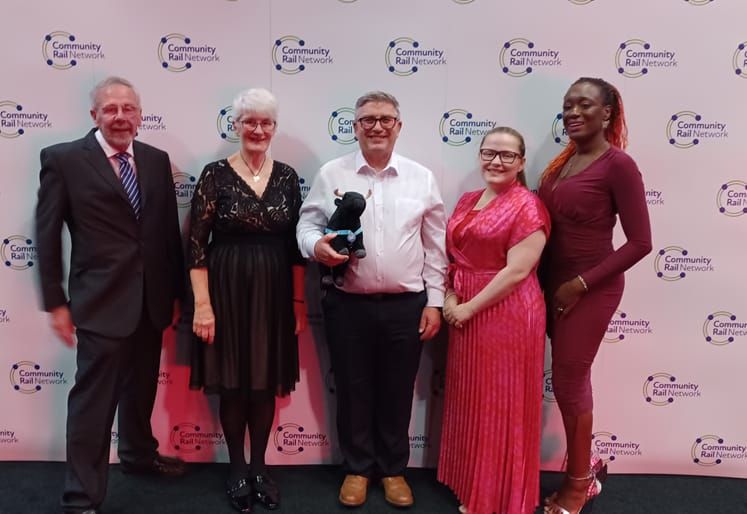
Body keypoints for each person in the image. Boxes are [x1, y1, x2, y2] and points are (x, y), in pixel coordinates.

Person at [35, 76, 186, 514]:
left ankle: (138, 456)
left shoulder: (156, 160)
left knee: (141, 391)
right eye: (111, 109)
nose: (120, 117)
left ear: (140, 115)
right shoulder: (63, 159)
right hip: (99, 302)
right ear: (95, 115)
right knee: (93, 405)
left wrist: (177, 294)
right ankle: (81, 496)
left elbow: (165, 233)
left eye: (128, 108)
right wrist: (56, 302)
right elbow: (47, 234)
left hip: (151, 301)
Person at [297, 91, 448, 508]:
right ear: (355, 127)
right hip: (347, 304)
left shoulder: (421, 178)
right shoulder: (332, 173)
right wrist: (316, 247)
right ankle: (358, 469)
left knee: (398, 390)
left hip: (407, 305)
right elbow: (306, 227)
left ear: (398, 126)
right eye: (368, 119)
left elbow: (435, 246)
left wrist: (435, 301)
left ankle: (393, 470)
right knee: (353, 389)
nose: (377, 126)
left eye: (385, 119)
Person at [188, 87, 306, 513]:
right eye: (249, 121)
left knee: (264, 383)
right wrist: (203, 306)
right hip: (226, 289)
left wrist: (298, 304)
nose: (258, 129)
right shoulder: (214, 174)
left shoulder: (288, 177)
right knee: (233, 383)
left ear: (274, 127)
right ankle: (236, 467)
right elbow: (196, 246)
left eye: (265, 122)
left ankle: (259, 467)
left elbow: (296, 249)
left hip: (274, 292)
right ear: (235, 125)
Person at [538, 77, 652, 514]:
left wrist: (580, 284)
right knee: (573, 380)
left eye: (584, 105)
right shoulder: (563, 161)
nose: (572, 112)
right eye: (567, 105)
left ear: (607, 113)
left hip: (590, 289)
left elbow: (640, 243)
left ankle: (579, 484)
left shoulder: (618, 165)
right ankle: (587, 463)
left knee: (569, 382)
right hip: (553, 284)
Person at [438, 127, 549, 514]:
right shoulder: (469, 199)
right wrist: (451, 296)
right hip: (464, 308)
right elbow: (456, 257)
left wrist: (468, 308)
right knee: (473, 399)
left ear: (521, 162)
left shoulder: (528, 206)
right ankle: (470, 484)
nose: (496, 161)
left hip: (507, 313)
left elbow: (517, 272)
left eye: (506, 155)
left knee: (499, 405)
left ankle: (495, 498)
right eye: (489, 153)